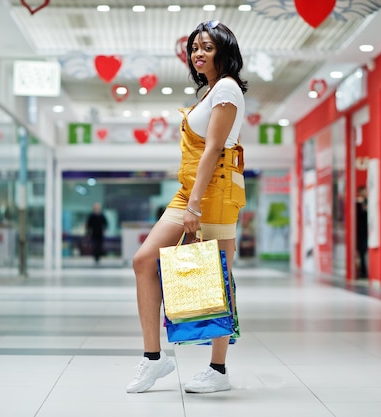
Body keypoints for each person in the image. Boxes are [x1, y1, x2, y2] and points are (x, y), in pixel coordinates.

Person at [126, 20, 247, 394]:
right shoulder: (211, 91)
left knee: (217, 279)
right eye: (195, 47)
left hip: (212, 194)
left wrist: (194, 205)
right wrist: (190, 198)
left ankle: (218, 370)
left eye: (207, 47)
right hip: (190, 191)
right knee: (145, 261)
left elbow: (213, 149)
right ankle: (154, 359)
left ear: (223, 51)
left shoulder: (226, 89)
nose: (198, 52)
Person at [356, 186, 368, 278]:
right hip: (360, 233)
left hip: (366, 232)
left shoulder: (367, 203)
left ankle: (364, 271)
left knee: (364, 253)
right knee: (361, 253)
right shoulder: (357, 205)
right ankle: (362, 271)